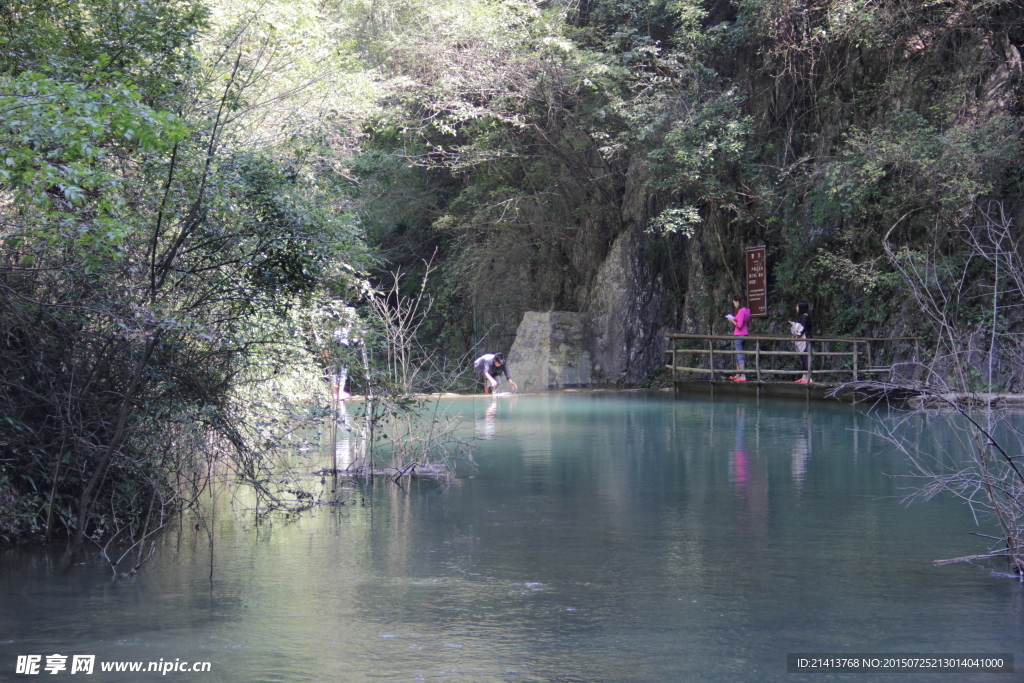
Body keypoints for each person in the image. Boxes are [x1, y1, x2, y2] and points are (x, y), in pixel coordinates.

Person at [726, 295, 751, 381]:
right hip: (745, 334)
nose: (734, 305)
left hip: (739, 335)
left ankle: (743, 376)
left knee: (739, 355)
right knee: (738, 354)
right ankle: (738, 374)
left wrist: (731, 320)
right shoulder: (747, 310)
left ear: (737, 302)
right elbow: (747, 324)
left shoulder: (741, 311)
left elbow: (739, 325)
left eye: (734, 303)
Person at [790, 301, 813, 384]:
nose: (796, 308)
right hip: (805, 338)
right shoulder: (803, 317)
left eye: (797, 306)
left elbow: (802, 329)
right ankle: (804, 377)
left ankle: (809, 378)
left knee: (805, 358)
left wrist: (794, 325)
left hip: (806, 339)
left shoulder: (804, 317)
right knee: (803, 358)